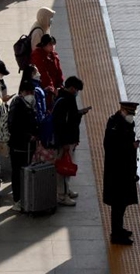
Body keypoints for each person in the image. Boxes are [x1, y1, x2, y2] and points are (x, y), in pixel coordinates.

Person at [104, 101, 140, 245]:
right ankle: (116, 234)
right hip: (116, 172)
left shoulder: (127, 123)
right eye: (130, 113)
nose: (131, 116)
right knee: (118, 204)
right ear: (123, 110)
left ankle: (119, 229)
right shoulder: (114, 124)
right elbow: (110, 146)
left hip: (125, 170)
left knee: (122, 203)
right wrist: (129, 146)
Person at [52, 76, 87, 204]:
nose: (77, 92)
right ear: (72, 88)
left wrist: (79, 113)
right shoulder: (66, 100)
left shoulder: (62, 98)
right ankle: (62, 195)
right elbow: (63, 124)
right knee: (63, 167)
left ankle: (66, 190)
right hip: (64, 141)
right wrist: (65, 142)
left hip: (68, 140)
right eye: (77, 89)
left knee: (66, 165)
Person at [8, 80, 38, 212]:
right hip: (18, 146)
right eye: (28, 92)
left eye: (32, 92)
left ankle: (25, 197)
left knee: (25, 171)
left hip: (28, 146)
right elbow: (13, 126)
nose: (31, 95)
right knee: (17, 173)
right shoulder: (17, 105)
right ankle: (17, 199)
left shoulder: (30, 104)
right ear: (22, 92)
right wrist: (27, 136)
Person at [30, 34, 64, 107]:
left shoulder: (54, 55)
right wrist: (52, 89)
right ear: (44, 45)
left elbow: (59, 71)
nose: (53, 47)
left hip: (55, 87)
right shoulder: (37, 56)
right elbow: (43, 74)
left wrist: (60, 85)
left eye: (53, 45)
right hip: (44, 88)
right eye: (50, 44)